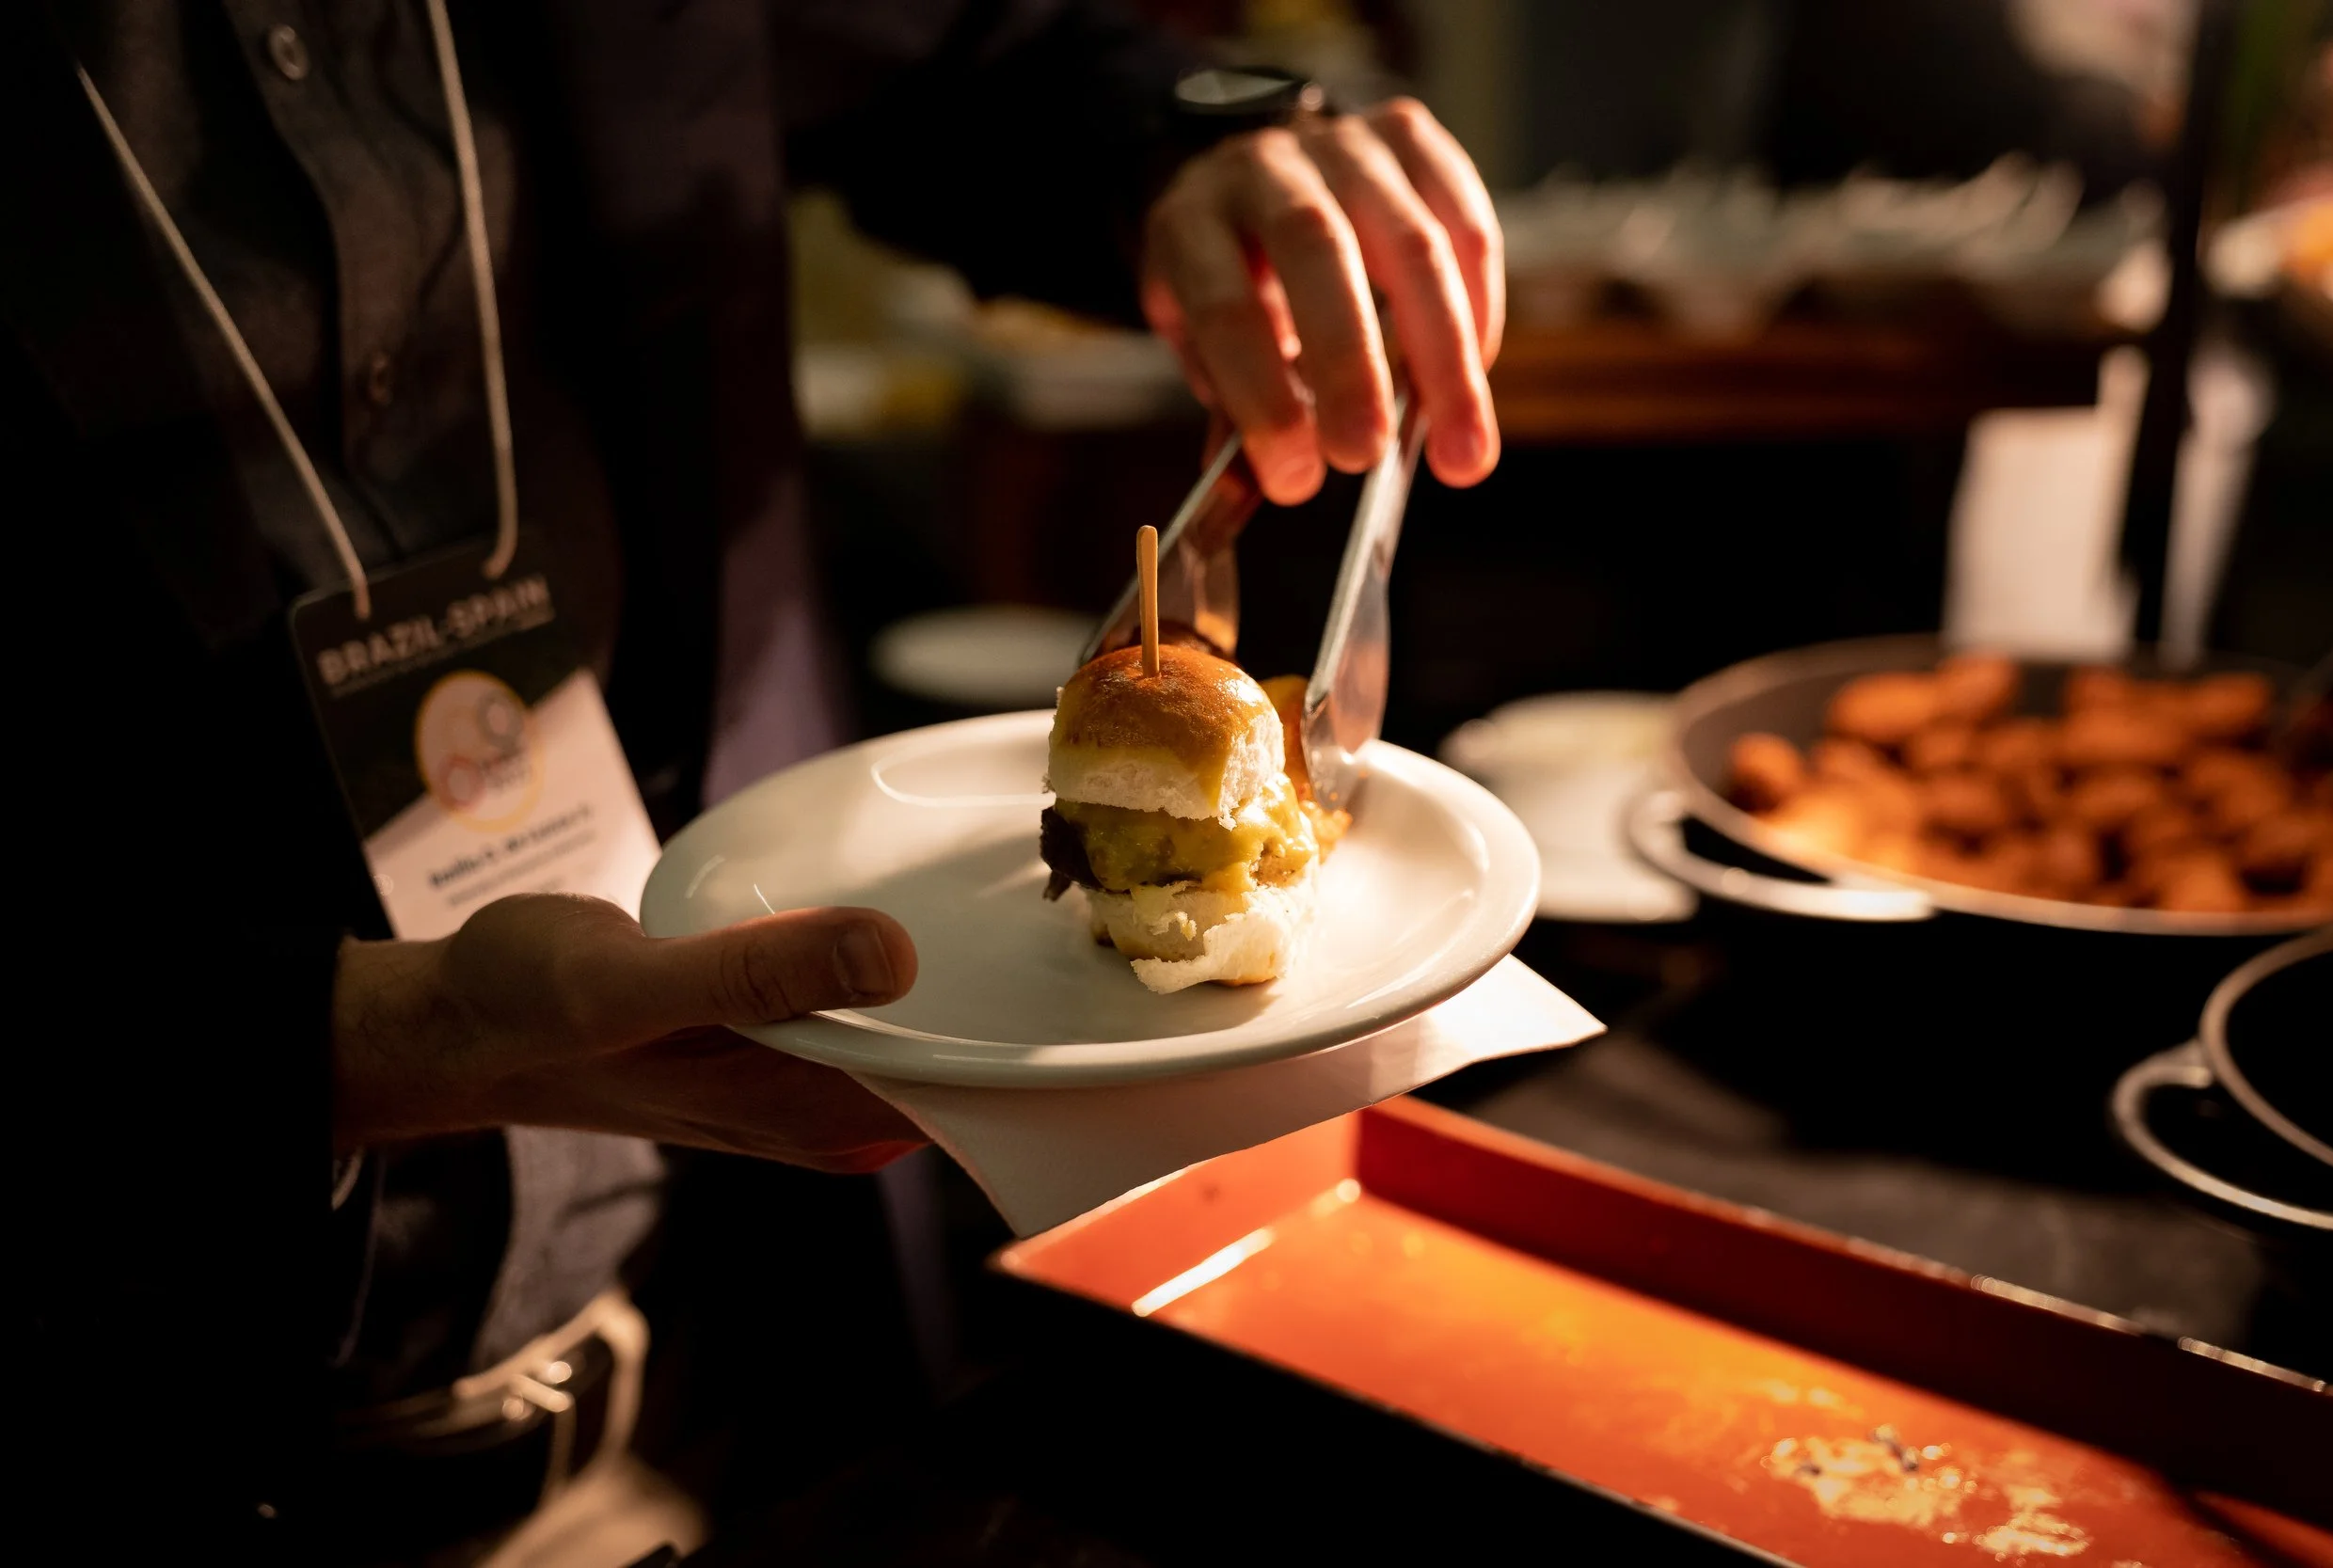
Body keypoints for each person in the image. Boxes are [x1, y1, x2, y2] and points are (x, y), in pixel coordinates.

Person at [2, 1, 1501, 1558]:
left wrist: (1193, 133)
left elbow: (967, 55)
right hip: (142, 1420)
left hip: (739, 1361)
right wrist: (373, 1042)